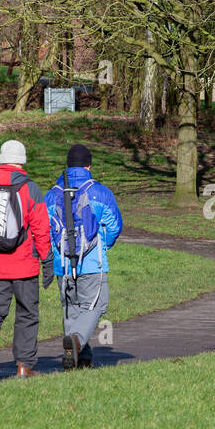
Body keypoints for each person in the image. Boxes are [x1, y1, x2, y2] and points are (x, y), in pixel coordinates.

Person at [0, 139, 52, 382]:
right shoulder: (30, 188)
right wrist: (47, 262)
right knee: (27, 313)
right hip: (24, 266)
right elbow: (41, 229)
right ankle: (25, 367)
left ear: (1, 160)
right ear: (22, 161)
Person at [44, 144, 123, 370]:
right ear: (89, 165)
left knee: (72, 308)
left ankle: (80, 360)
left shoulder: (51, 195)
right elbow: (114, 225)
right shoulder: (99, 192)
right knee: (96, 305)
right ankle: (76, 341)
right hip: (91, 263)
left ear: (68, 166)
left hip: (63, 264)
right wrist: (102, 246)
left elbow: (43, 230)